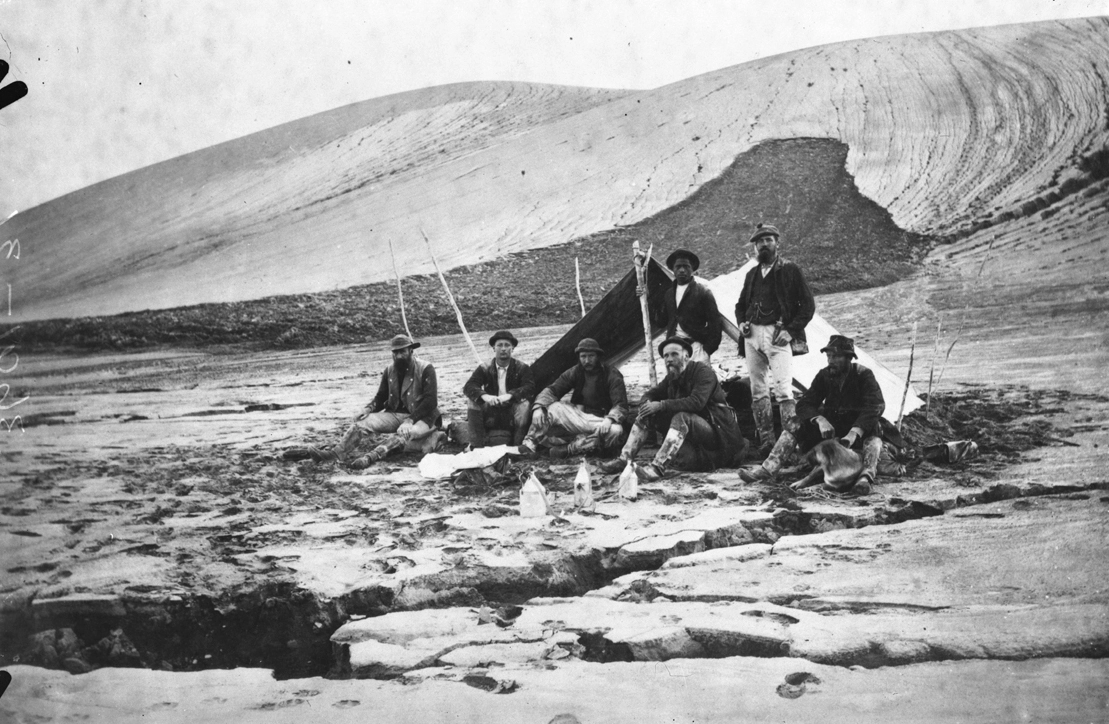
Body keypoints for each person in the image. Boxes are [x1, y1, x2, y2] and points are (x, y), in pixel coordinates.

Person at [738, 335, 886, 494]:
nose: (830, 361)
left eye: (836, 356)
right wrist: (819, 419)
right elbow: (805, 403)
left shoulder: (863, 375)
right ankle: (768, 469)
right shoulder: (825, 375)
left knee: (874, 440)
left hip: (860, 432)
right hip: (834, 431)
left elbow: (876, 405)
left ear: (849, 357)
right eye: (828, 356)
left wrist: (855, 432)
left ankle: (866, 479)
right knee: (795, 423)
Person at [282, 334, 442, 469]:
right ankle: (335, 455)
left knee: (408, 433)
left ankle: (370, 457)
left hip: (424, 417)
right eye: (396, 352)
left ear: (411, 351)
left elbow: (430, 401)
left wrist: (409, 420)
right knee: (362, 423)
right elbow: (381, 397)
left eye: (403, 352)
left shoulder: (426, 368)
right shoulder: (389, 371)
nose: (399, 356)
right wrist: (368, 409)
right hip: (396, 415)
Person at [600, 336, 744, 481]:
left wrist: (661, 405)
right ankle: (625, 459)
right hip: (695, 433)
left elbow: (696, 402)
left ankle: (657, 468)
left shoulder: (703, 373)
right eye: (666, 356)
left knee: (681, 417)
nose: (669, 359)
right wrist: (647, 404)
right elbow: (652, 393)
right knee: (647, 413)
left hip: (718, 432)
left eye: (674, 354)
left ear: (686, 356)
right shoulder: (672, 377)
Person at [735, 222, 815, 457]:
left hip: (777, 335)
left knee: (783, 390)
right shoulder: (751, 274)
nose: (763, 245)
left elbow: (808, 306)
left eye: (768, 240)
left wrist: (790, 331)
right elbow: (740, 305)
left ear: (777, 243)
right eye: (759, 242)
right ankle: (766, 441)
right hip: (752, 337)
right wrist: (741, 323)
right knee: (758, 390)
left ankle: (789, 442)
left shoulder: (790, 270)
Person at [519, 338, 629, 458]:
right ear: (579, 357)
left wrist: (610, 420)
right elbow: (552, 391)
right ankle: (530, 443)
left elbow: (620, 405)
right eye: (583, 356)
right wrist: (538, 407)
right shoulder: (575, 372)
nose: (587, 360)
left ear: (598, 356)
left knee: (616, 431)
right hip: (578, 417)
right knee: (554, 408)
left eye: (591, 356)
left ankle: (569, 449)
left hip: (601, 421)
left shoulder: (612, 375)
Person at [462, 330, 536, 447]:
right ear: (493, 348)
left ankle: (517, 446)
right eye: (499, 345)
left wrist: (511, 395)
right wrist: (485, 396)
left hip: (511, 409)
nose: (503, 349)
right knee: (472, 402)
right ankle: (477, 446)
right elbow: (469, 386)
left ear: (513, 348)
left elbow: (530, 388)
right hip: (491, 409)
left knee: (525, 405)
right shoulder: (485, 368)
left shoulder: (522, 368)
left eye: (507, 345)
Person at [662, 248, 722, 363]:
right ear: (673, 270)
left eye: (686, 267)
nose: (682, 270)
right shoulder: (669, 294)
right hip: (674, 347)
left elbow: (715, 324)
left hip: (697, 347)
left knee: (699, 379)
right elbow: (661, 321)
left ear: (692, 269)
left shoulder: (703, 292)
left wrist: (707, 350)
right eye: (678, 267)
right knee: (676, 379)